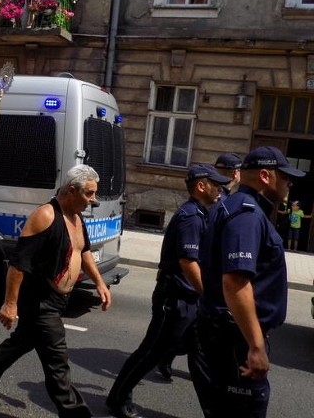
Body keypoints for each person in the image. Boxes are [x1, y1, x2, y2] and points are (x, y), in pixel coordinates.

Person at [0, 165, 112, 416]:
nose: (93, 200)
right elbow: (19, 264)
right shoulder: (45, 216)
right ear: (71, 190)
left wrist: (99, 282)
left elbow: (83, 250)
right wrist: (10, 304)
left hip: (58, 299)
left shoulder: (76, 216)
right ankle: (76, 412)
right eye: (89, 193)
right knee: (57, 362)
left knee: (19, 344)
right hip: (40, 301)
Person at [106, 164, 230, 418]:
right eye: (216, 183)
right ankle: (118, 397)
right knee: (152, 352)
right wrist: (208, 294)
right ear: (201, 186)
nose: (221, 188)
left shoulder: (202, 212)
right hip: (175, 299)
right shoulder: (191, 217)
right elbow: (188, 261)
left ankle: (215, 411)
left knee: (201, 354)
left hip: (191, 300)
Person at [192, 146, 305, 417]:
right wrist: (255, 346)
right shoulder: (247, 214)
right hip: (236, 338)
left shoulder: (238, 207)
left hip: (231, 333)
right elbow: (235, 281)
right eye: (285, 176)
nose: (290, 182)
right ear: (265, 176)